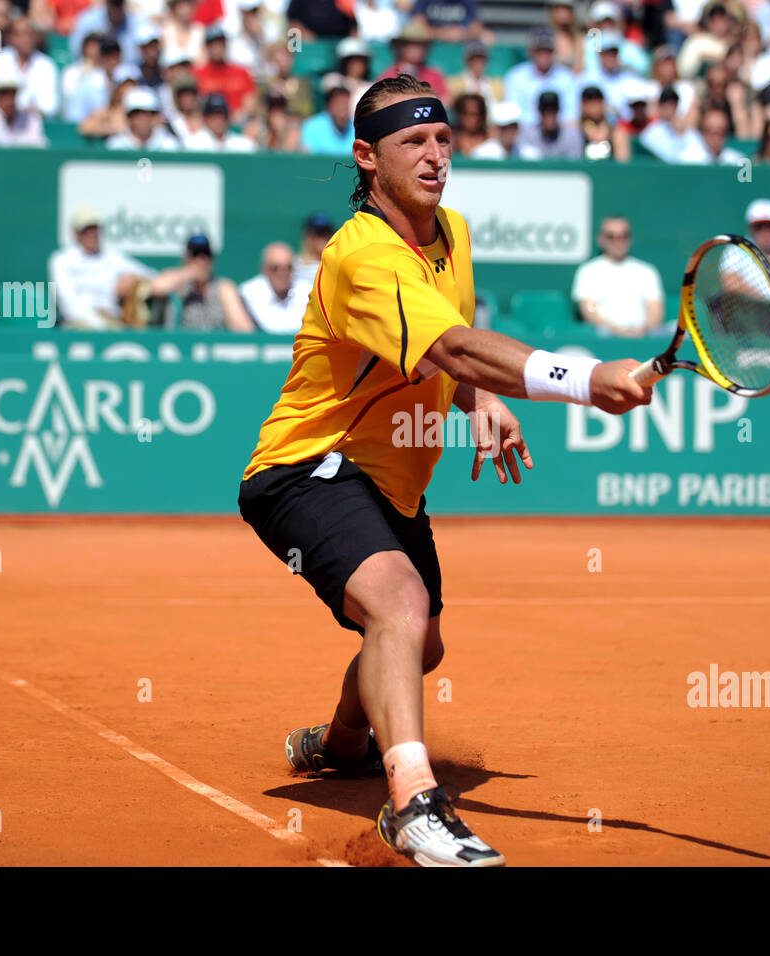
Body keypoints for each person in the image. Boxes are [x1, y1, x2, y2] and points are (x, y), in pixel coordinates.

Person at [237, 74, 649, 868]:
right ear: (366, 157)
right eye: (411, 144)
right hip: (306, 467)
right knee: (398, 603)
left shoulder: (452, 232)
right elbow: (453, 346)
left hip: (393, 484)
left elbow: (446, 346)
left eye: (443, 140)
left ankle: (344, 741)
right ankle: (416, 806)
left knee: (418, 644)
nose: (434, 157)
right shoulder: (360, 254)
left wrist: (478, 400)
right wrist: (585, 379)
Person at [49, 205, 200, 329]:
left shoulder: (112, 258)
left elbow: (151, 276)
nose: (92, 234)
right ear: (76, 233)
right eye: (86, 230)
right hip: (78, 326)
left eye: (95, 229)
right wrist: (99, 325)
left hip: (113, 323)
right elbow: (69, 304)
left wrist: (181, 276)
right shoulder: (62, 261)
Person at [572, 215, 665, 337]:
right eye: (611, 236)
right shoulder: (588, 271)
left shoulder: (647, 271)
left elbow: (655, 311)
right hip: (604, 337)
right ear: (601, 239)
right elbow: (589, 310)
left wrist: (643, 329)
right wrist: (614, 329)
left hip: (643, 336)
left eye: (623, 236)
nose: (618, 241)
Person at [159, 233, 254, 331]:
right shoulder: (176, 281)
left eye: (206, 256)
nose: (201, 261)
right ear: (186, 258)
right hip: (180, 343)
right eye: (195, 255)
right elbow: (155, 288)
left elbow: (244, 329)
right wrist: (189, 273)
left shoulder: (223, 287)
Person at [0, 16, 58, 117]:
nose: (26, 39)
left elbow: (50, 106)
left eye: (30, 34)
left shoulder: (47, 65)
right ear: (10, 38)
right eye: (21, 35)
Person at [504, 25, 578, 126]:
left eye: (547, 50)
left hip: (558, 132)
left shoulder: (567, 78)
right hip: (525, 133)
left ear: (554, 51)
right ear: (530, 51)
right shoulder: (515, 77)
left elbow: (571, 115)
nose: (544, 55)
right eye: (539, 50)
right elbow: (513, 115)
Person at [237, 241, 308, 333]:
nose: (282, 273)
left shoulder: (308, 292)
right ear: (265, 269)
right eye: (275, 268)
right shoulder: (248, 293)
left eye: (288, 267)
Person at [514, 89, 582, 159]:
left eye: (553, 110)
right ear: (538, 111)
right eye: (544, 110)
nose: (549, 114)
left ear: (558, 110)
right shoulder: (527, 135)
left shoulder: (571, 136)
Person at [106, 86, 180, 150]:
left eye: (147, 114)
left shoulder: (168, 144)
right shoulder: (116, 144)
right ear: (129, 118)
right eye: (137, 114)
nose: (142, 119)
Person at [674, 104, 746, 164]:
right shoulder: (687, 160)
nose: (715, 138)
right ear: (702, 132)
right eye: (710, 131)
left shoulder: (737, 161)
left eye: (721, 132)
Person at [184, 92, 256, 151]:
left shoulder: (243, 144)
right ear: (205, 118)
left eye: (222, 115)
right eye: (212, 115)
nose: (218, 119)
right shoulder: (193, 143)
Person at [301, 77, 355, 154]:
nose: (343, 109)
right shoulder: (311, 126)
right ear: (329, 107)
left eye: (345, 104)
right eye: (338, 105)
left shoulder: (358, 128)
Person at [294, 212, 333, 288]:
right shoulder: (292, 267)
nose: (323, 238)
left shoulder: (334, 266)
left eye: (326, 233)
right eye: (318, 233)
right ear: (308, 236)